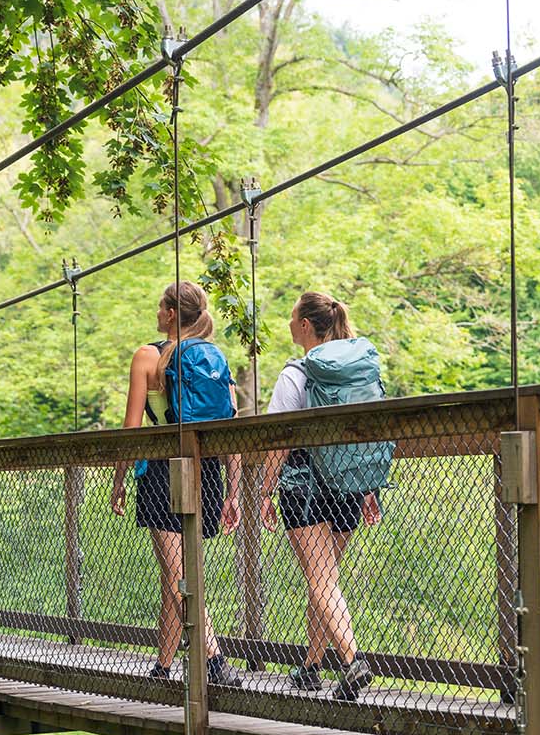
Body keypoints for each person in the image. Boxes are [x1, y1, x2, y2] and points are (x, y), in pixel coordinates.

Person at [110, 281, 244, 687]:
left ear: (170, 314)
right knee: (180, 572)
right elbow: (231, 429)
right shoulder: (214, 359)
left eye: (159, 307)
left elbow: (132, 429)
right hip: (206, 473)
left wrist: (119, 480)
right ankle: (163, 667)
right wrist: (233, 490)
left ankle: (214, 660)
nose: (155, 312)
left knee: (177, 575)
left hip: (161, 473)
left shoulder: (148, 356)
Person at [258, 292, 384, 701]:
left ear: (307, 325)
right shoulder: (357, 373)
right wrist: (369, 487)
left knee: (321, 580)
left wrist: (264, 490)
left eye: (293, 317)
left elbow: (277, 439)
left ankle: (351, 662)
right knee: (325, 579)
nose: (290, 322)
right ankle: (312, 666)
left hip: (304, 485)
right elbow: (367, 432)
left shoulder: (296, 374)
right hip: (349, 482)